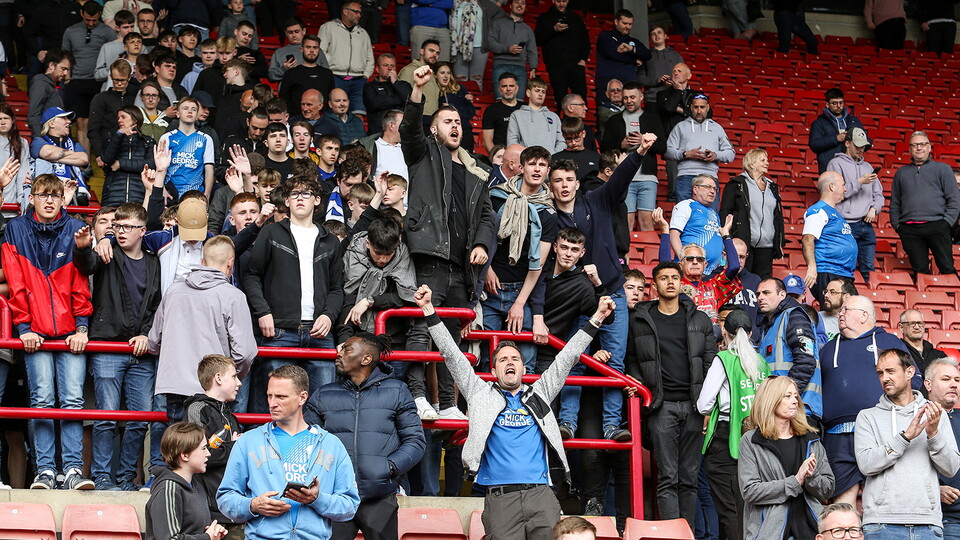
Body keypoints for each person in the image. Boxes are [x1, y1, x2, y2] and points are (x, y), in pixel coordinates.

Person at [415, 283, 615, 540]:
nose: (510, 363)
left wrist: (597, 318)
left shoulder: (540, 391)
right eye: (503, 360)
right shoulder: (479, 393)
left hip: (541, 495)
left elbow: (568, 357)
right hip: (501, 498)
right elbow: (452, 355)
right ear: (495, 370)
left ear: (523, 368)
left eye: (515, 359)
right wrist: (429, 310)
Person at [400, 64, 495, 421]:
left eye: (458, 122)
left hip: (462, 268)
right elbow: (409, 131)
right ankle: (417, 396)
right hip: (431, 258)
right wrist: (417, 91)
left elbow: (488, 217)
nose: (454, 126)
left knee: (452, 339)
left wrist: (483, 244)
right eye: (446, 121)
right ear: (434, 129)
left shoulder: (476, 172)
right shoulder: (424, 152)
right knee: (423, 328)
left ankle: (448, 403)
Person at [1, 173, 94, 490]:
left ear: (63, 198)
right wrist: (24, 327)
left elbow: (81, 283)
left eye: (55, 194)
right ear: (31, 198)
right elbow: (16, 284)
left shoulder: (75, 228)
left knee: (72, 401)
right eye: (43, 194)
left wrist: (82, 326)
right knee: (42, 400)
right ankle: (44, 471)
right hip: (36, 334)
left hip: (70, 333)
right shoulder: (15, 229)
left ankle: (71, 470)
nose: (50, 200)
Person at [146, 235, 257, 468]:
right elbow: (246, 352)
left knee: (179, 453)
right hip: (215, 389)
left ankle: (167, 491)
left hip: (176, 386)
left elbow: (153, 341)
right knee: (216, 455)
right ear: (231, 264)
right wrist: (231, 376)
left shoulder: (174, 291)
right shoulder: (233, 296)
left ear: (202, 261)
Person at [303, 333, 426, 540]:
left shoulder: (397, 390)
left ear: (366, 359)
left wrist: (389, 467)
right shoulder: (324, 393)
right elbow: (305, 441)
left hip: (380, 497)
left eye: (347, 349)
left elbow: (415, 441)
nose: (339, 353)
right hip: (334, 497)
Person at [74, 202, 161, 491]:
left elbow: (158, 304)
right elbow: (86, 264)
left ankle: (126, 479)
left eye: (126, 227)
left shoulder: (154, 261)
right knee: (106, 418)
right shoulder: (106, 253)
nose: (119, 232)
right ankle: (102, 477)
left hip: (142, 350)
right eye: (116, 227)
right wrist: (88, 246)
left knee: (139, 420)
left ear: (142, 231)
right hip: (108, 346)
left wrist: (148, 334)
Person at [217, 365, 361, 538]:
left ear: (302, 398)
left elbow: (350, 506)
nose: (272, 403)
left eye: (281, 397)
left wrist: (317, 499)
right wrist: (253, 505)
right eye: (269, 396)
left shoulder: (331, 444)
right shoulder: (248, 441)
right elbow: (225, 498)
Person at [624, 261, 716, 527]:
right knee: (667, 477)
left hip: (694, 407)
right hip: (660, 406)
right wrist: (641, 385)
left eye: (675, 277)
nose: (670, 282)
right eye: (664, 278)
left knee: (689, 477)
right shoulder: (640, 319)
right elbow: (631, 360)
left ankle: (684, 531)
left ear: (681, 282)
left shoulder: (699, 319)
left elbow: (710, 362)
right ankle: (668, 533)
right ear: (655, 285)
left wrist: (708, 407)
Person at [244, 175, 345, 392]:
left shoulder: (330, 241)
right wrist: (263, 312)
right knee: (276, 402)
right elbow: (251, 275)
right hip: (280, 331)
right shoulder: (271, 232)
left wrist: (329, 315)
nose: (300, 198)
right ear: (287, 201)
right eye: (294, 194)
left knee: (323, 403)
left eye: (306, 193)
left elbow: (337, 288)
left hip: (320, 333)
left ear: (317, 200)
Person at [820, 295, 917, 506]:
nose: (840, 314)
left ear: (864, 315)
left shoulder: (889, 342)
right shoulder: (827, 348)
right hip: (838, 435)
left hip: (880, 430)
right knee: (842, 502)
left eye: (846, 310)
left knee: (886, 494)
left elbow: (913, 383)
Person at [855, 348, 960, 538]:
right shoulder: (867, 417)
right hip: (881, 522)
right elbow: (866, 465)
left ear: (910, 372)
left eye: (891, 371)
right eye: (880, 373)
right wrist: (904, 438)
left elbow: (951, 468)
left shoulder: (936, 414)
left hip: (928, 523)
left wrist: (933, 434)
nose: (885, 378)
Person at [697, 308, 770, 540]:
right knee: (748, 507)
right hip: (757, 440)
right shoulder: (761, 363)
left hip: (726, 439)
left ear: (723, 332)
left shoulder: (724, 359)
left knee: (729, 509)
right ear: (750, 334)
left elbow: (703, 405)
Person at [484, 146, 557, 371]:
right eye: (532, 164)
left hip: (521, 291)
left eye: (542, 165)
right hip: (490, 290)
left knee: (525, 361)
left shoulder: (548, 213)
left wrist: (519, 303)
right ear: (521, 167)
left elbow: (539, 265)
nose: (537, 169)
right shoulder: (496, 197)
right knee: (487, 361)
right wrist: (486, 269)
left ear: (547, 171)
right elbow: (479, 238)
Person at [740, 376, 834, 540]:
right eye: (787, 396)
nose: (795, 401)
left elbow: (827, 490)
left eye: (795, 396)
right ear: (772, 400)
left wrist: (811, 476)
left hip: (812, 529)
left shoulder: (810, 439)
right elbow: (750, 491)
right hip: (769, 532)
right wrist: (795, 482)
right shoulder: (751, 440)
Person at [183, 355, 244, 535]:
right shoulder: (197, 409)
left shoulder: (230, 415)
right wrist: (235, 447)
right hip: (209, 512)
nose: (239, 383)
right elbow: (197, 455)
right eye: (234, 376)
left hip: (232, 508)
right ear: (218, 378)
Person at [890, 131, 960, 276]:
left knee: (947, 268)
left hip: (938, 225)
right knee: (920, 271)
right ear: (909, 149)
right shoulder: (901, 173)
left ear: (929, 147)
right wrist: (898, 225)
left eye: (922, 144)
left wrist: (946, 223)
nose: (919, 148)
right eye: (915, 145)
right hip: (910, 229)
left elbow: (954, 199)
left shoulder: (943, 169)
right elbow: (895, 203)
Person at [600, 82, 665, 232]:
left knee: (647, 222)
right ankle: (625, 256)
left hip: (647, 177)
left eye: (632, 97)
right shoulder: (614, 120)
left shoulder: (652, 119)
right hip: (623, 177)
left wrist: (645, 141)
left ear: (641, 97)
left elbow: (663, 147)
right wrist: (621, 145)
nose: (629, 101)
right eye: (626, 98)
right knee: (625, 222)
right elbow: (604, 148)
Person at [145, 422, 228, 540]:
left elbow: (199, 530)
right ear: (184, 455)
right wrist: (207, 538)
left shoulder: (197, 485)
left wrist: (214, 531)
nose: (208, 454)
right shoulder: (168, 489)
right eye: (203, 448)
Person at [756, 277, 822, 419]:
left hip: (799, 410)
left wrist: (785, 398)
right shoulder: (768, 326)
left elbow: (806, 361)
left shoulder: (794, 316)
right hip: (780, 408)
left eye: (766, 293)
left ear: (782, 295)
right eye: (758, 294)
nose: (760, 297)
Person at [827, 127, 883, 282]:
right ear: (847, 143)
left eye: (863, 146)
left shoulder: (867, 167)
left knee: (868, 271)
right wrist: (860, 182)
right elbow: (835, 195)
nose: (860, 149)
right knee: (844, 269)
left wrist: (874, 208)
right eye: (857, 145)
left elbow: (879, 194)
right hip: (845, 224)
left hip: (866, 224)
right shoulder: (835, 164)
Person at [719, 148, 784, 279]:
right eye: (762, 160)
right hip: (744, 241)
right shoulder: (737, 184)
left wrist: (779, 241)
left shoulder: (772, 186)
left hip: (767, 245)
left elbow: (778, 216)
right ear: (752, 164)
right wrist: (728, 236)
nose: (767, 163)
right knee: (741, 278)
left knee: (762, 281)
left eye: (767, 160)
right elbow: (725, 211)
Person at [63, 2, 115, 151]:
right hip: (77, 81)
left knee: (98, 121)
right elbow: (66, 55)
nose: (91, 23)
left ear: (100, 15)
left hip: (99, 82)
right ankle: (84, 161)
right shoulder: (70, 31)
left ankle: (99, 156)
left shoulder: (108, 31)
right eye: (87, 20)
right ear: (81, 14)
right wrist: (68, 76)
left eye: (94, 20)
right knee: (81, 121)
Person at [665, 94, 735, 204]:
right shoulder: (680, 126)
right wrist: (685, 154)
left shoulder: (717, 128)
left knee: (709, 217)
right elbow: (668, 151)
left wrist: (715, 155)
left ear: (707, 107)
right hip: (685, 177)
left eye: (702, 107)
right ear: (691, 108)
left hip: (710, 178)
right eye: (696, 107)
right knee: (685, 215)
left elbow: (730, 154)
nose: (699, 111)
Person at [802, 171, 857, 305]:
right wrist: (812, 266)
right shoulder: (818, 211)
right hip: (828, 272)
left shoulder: (834, 212)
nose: (845, 189)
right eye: (843, 185)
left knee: (851, 310)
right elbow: (808, 238)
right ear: (832, 187)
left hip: (842, 273)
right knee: (834, 312)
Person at [319, 2, 375, 116]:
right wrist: (327, 72)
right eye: (356, 12)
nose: (359, 15)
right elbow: (320, 52)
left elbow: (370, 57)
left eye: (360, 12)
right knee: (335, 114)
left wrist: (366, 75)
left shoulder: (363, 33)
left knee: (358, 114)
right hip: (335, 77)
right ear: (345, 11)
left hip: (358, 80)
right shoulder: (328, 27)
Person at [925, 358, 960, 539]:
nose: (953, 384)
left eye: (957, 380)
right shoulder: (915, 419)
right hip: (943, 520)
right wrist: (933, 489)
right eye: (946, 379)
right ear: (928, 384)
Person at [667, 174, 728, 276]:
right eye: (708, 187)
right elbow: (674, 235)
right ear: (695, 189)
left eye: (714, 188)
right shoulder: (686, 205)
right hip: (691, 270)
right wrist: (684, 261)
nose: (712, 191)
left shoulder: (714, 213)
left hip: (712, 273)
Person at [32, 107, 92, 205]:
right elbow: (47, 152)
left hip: (77, 197)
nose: (69, 122)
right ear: (51, 123)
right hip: (50, 197)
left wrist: (55, 159)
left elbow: (84, 159)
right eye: (64, 118)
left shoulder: (75, 144)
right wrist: (72, 156)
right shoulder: (38, 141)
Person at [159, 97, 215, 199]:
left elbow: (209, 169)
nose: (190, 111)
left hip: (195, 194)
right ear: (178, 113)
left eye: (194, 109)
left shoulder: (206, 139)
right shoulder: (167, 138)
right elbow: (160, 168)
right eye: (185, 108)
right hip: (171, 193)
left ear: (197, 114)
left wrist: (206, 194)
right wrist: (162, 190)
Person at [100, 105, 155, 206]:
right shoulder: (112, 139)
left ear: (135, 118)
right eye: (118, 118)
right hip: (113, 196)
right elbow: (107, 158)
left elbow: (151, 164)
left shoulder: (147, 141)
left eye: (123, 117)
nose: (119, 120)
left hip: (139, 195)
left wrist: (120, 164)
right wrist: (118, 134)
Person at [534, 0, 589, 101]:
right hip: (555, 66)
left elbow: (585, 41)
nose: (562, 4)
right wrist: (553, 30)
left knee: (581, 99)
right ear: (553, 1)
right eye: (559, 1)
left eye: (564, 1)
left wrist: (583, 60)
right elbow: (537, 40)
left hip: (576, 65)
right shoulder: (544, 18)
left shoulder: (576, 18)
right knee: (560, 99)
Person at [594, 9, 650, 103]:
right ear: (616, 22)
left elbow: (647, 55)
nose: (627, 27)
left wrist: (631, 49)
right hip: (607, 86)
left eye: (630, 24)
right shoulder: (605, 36)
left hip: (628, 88)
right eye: (624, 23)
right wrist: (634, 60)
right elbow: (612, 54)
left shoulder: (633, 42)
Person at [488, 0, 537, 100]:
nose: (520, 5)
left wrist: (533, 67)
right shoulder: (498, 23)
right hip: (500, 65)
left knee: (518, 102)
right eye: (517, 2)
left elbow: (532, 50)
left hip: (520, 67)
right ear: (510, 5)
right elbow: (490, 43)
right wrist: (508, 48)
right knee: (500, 101)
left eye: (523, 3)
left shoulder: (527, 29)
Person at [809, 88, 866, 174]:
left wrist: (855, 141)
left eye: (841, 103)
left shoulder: (853, 120)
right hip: (829, 169)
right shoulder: (819, 123)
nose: (839, 106)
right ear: (827, 104)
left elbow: (867, 141)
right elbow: (814, 145)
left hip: (853, 169)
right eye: (834, 103)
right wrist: (836, 139)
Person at [506, 77, 564, 153]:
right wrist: (525, 157)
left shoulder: (554, 116)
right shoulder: (517, 115)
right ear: (528, 93)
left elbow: (561, 142)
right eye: (537, 91)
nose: (540, 94)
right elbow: (512, 142)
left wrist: (553, 156)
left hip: (550, 161)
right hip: (526, 162)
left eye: (543, 92)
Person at [635, 25, 684, 108]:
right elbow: (640, 79)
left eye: (659, 33)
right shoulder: (645, 56)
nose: (657, 35)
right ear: (650, 38)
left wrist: (673, 82)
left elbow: (683, 76)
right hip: (652, 99)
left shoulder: (676, 56)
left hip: (673, 98)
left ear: (665, 36)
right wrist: (657, 81)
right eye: (653, 34)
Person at [363, 54, 411, 137]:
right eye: (385, 65)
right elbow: (375, 103)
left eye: (392, 66)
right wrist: (400, 100)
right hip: (378, 133)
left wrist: (396, 83)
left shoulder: (404, 85)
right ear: (377, 69)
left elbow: (409, 100)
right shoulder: (369, 86)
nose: (390, 68)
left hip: (401, 133)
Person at [435, 62, 476, 152]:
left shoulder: (458, 88)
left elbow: (470, 112)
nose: (446, 76)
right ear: (435, 75)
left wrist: (453, 107)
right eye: (442, 73)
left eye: (448, 73)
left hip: (463, 129)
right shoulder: (432, 90)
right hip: (443, 131)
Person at [398, 39, 442, 123]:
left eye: (437, 53)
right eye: (431, 51)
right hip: (416, 118)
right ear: (422, 51)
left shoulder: (432, 73)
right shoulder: (409, 70)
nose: (435, 55)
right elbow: (403, 95)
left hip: (432, 118)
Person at [0, 103, 30, 216]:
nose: (3, 122)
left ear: (12, 120)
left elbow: (23, 172)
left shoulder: (22, 143)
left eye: (6, 118)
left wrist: (22, 198)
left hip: (11, 206)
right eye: (0, 119)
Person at [481, 73, 523, 153]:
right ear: (499, 89)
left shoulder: (525, 108)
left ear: (517, 88)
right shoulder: (491, 110)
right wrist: (498, 158)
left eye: (511, 86)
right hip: (501, 157)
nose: (508, 89)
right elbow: (487, 140)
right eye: (504, 86)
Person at [900, 309, 947, 377]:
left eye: (920, 323)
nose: (917, 327)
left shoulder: (939, 356)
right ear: (901, 327)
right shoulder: (897, 354)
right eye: (912, 323)